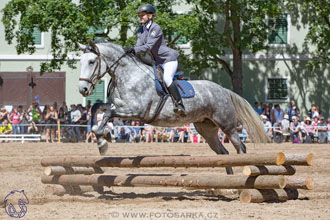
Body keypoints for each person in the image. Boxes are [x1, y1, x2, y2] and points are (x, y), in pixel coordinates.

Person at [124, 4, 185, 116]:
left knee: (167, 78)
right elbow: (138, 46)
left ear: (150, 16)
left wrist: (134, 49)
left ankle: (179, 104)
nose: (140, 17)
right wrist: (130, 52)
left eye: (143, 15)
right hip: (156, 61)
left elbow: (148, 46)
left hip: (168, 59)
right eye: (140, 15)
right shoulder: (141, 30)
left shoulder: (155, 28)